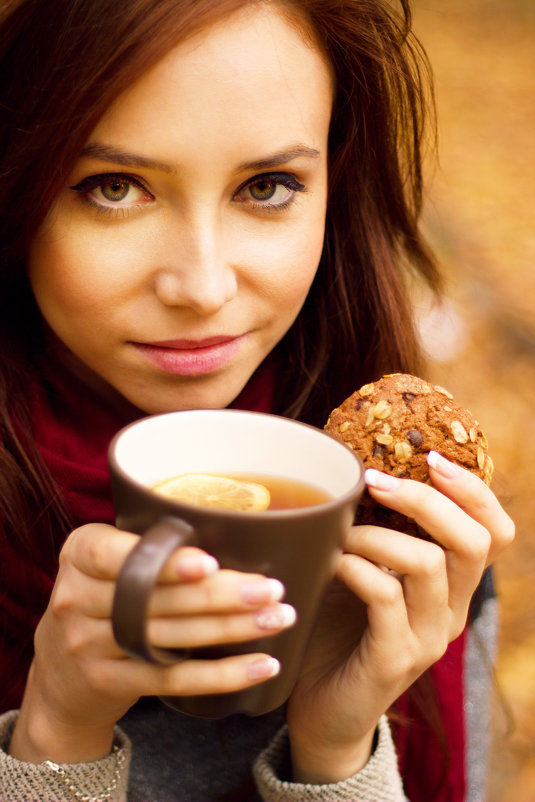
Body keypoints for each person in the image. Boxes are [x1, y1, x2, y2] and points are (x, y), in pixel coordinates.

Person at [0, 0, 514, 800]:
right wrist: (53, 739)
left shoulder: (410, 544)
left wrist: (337, 751)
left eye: (267, 185)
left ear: (334, 190)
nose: (202, 288)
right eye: (111, 186)